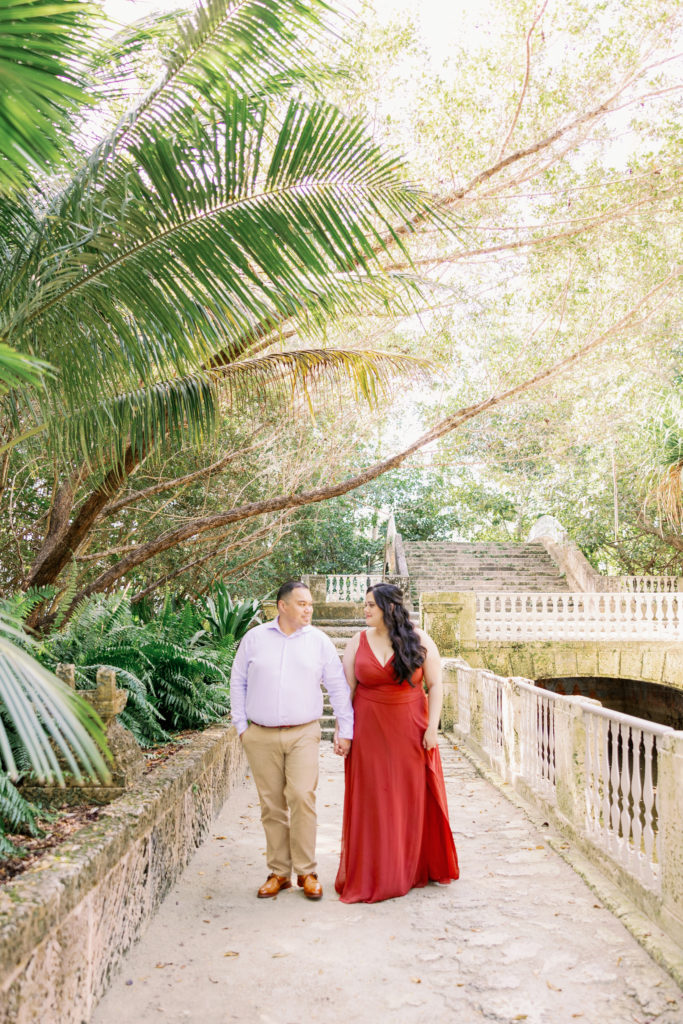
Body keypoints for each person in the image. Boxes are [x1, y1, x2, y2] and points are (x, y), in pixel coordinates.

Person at [334, 582, 459, 903]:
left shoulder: (419, 639)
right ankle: (375, 869)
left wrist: (433, 728)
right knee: (373, 800)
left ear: (389, 607)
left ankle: (410, 866)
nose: (365, 610)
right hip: (368, 734)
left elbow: (436, 685)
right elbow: (345, 691)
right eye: (365, 605)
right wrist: (342, 731)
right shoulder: (356, 642)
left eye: (371, 605)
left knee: (409, 798)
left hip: (410, 731)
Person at [231, 580, 353, 900]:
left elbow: (338, 688)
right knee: (271, 805)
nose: (308, 609)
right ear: (282, 606)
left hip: (303, 733)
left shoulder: (319, 642)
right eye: (301, 603)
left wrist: (346, 729)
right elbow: (238, 682)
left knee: (301, 796)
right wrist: (242, 727)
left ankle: (307, 871)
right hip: (260, 735)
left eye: (310, 603)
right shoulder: (254, 639)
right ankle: (279, 872)